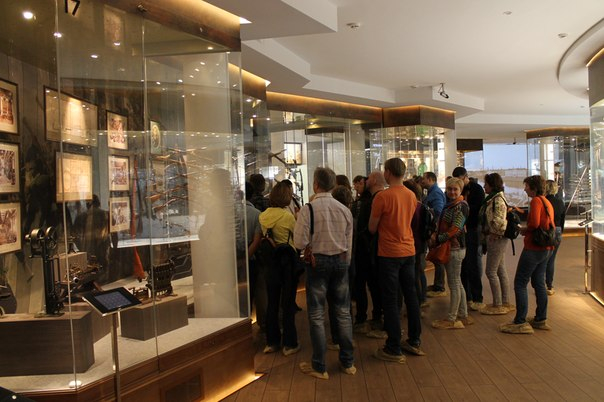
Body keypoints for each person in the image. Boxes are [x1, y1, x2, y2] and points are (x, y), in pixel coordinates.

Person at [294, 167, 355, 379]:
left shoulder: (308, 209)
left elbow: (299, 242)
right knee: (343, 312)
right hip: (340, 261)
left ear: (315, 184)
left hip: (317, 263)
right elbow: (349, 243)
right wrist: (345, 264)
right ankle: (348, 362)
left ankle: (319, 366)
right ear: (333, 185)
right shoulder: (344, 209)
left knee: (317, 314)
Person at [369, 158, 424, 362]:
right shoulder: (411, 195)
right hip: (408, 250)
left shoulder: (382, 197)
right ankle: (414, 340)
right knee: (411, 296)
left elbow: (372, 228)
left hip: (389, 252)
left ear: (389, 172)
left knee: (391, 300)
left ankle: (393, 346)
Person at [500, 175, 555, 334]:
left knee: (520, 283)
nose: (524, 189)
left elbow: (534, 224)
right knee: (539, 282)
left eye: (526, 186)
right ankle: (540, 318)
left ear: (533, 187)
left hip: (534, 248)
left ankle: (520, 321)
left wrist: (525, 229)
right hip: (546, 247)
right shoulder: (546, 201)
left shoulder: (536, 201)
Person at [258, 182, 300, 356]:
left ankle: (272, 341)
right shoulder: (288, 217)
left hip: (271, 263)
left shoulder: (263, 216)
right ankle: (289, 343)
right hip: (288, 262)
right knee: (288, 303)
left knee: (272, 302)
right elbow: (298, 239)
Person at [431, 177, 471, 329]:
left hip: (455, 248)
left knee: (453, 284)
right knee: (457, 282)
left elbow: (455, 229)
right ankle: (463, 315)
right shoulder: (453, 205)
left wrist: (438, 238)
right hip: (454, 248)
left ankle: (452, 319)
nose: (452, 192)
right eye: (449, 189)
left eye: (455, 189)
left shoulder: (461, 206)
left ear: (461, 190)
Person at [355, 171, 386, 335]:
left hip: (367, 248)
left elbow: (369, 228)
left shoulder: (371, 201)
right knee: (374, 285)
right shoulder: (377, 198)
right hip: (377, 248)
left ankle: (362, 318)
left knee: (363, 283)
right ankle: (376, 316)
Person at [452, 167, 486, 311]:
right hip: (461, 230)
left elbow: (479, 209)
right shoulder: (458, 190)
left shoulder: (476, 189)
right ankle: (467, 297)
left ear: (466, 177)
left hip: (473, 229)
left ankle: (477, 297)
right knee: (463, 266)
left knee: (472, 264)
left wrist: (464, 207)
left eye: (460, 179)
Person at [479, 173, 511, 315]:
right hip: (498, 237)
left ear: (492, 185)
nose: (484, 186)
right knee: (500, 269)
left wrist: (494, 233)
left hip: (496, 238)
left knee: (491, 271)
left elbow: (499, 219)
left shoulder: (496, 199)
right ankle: (505, 301)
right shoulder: (496, 197)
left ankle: (498, 303)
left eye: (486, 184)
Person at [403, 179, 428, 308]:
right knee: (419, 272)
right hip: (420, 243)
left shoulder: (413, 207)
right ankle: (422, 299)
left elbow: (411, 226)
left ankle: (417, 304)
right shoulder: (421, 206)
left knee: (414, 276)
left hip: (413, 244)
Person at [421, 171, 447, 297]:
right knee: (436, 258)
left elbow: (438, 211)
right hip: (434, 229)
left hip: (435, 230)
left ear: (431, 179)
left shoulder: (435, 193)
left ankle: (439, 287)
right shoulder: (432, 192)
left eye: (424, 179)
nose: (422, 181)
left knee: (438, 258)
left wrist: (434, 231)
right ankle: (437, 284)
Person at [244, 182, 265, 330]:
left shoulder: (227, 213)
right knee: (256, 292)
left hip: (233, 261)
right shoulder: (256, 214)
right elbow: (257, 241)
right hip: (252, 260)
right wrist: (246, 257)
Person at [545, 179, 565, 295]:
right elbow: (562, 221)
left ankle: (539, 284)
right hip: (557, 231)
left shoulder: (543, 201)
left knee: (543, 258)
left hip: (546, 231)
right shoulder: (560, 202)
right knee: (551, 259)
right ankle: (549, 285)